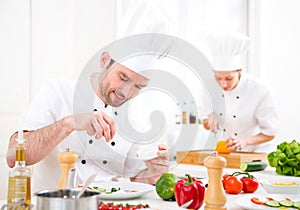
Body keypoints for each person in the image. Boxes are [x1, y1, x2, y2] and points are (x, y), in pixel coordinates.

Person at [6, 51, 169, 192]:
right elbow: (13, 156)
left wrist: (154, 173)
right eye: (123, 77)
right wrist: (69, 123)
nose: (125, 93)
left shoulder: (136, 117)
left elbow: (136, 177)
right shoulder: (57, 92)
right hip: (51, 205)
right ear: (104, 60)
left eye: (138, 86)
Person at [202, 31, 278, 152]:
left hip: (254, 153)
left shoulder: (258, 90)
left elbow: (270, 133)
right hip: (225, 152)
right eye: (218, 78)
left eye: (229, 78)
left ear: (239, 71)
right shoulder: (209, 87)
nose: (223, 84)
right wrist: (209, 121)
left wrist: (244, 141)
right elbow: (205, 122)